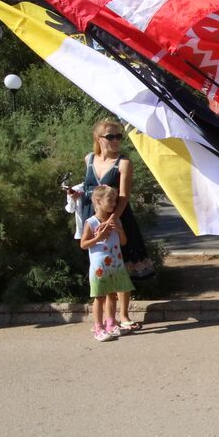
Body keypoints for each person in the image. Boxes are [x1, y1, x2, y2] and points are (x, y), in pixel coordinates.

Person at [78, 119, 151, 326]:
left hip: (118, 218)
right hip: (93, 221)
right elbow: (89, 189)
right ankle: (106, 320)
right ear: (98, 138)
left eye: (119, 136)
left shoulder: (124, 162)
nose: (116, 140)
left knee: (122, 264)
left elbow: (124, 196)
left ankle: (124, 315)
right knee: (101, 263)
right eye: (111, 136)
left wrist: (112, 220)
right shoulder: (89, 159)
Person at [81, 185, 135, 342]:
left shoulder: (116, 220)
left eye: (115, 200)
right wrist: (99, 237)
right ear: (98, 201)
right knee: (99, 297)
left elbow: (123, 242)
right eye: (110, 200)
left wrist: (119, 230)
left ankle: (110, 323)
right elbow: (84, 244)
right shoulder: (91, 222)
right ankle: (98, 327)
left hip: (115, 264)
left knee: (112, 295)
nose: (114, 204)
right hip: (100, 266)